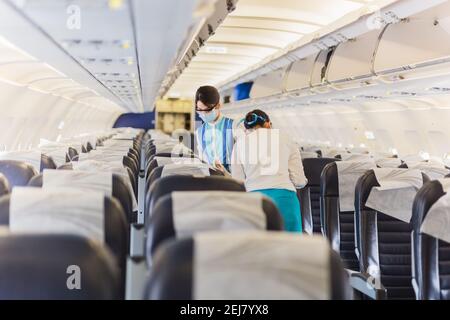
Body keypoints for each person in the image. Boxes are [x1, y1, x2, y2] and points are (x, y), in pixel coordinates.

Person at [230, 109, 307, 232]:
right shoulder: (286, 138)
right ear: (268, 124)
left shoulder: (239, 144)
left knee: (261, 248)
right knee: (292, 248)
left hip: (253, 201)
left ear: (246, 129)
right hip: (284, 199)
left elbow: (238, 182)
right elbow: (299, 181)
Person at [194, 85, 243, 172]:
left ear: (218, 106)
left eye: (207, 110)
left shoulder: (233, 125)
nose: (203, 114)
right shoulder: (200, 131)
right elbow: (203, 160)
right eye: (199, 110)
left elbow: (243, 156)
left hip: (234, 180)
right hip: (211, 180)